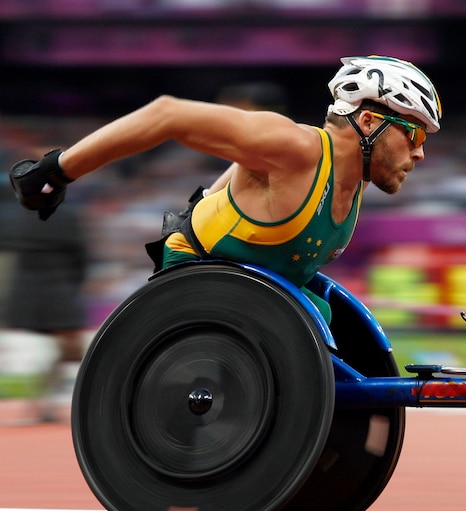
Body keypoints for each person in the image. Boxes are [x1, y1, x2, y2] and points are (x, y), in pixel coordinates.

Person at [8, 55, 442, 323]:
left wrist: (209, 200)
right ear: (368, 122)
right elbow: (167, 114)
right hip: (203, 286)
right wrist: (56, 171)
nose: (420, 156)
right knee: (308, 324)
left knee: (326, 317)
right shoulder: (292, 145)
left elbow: (246, 174)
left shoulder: (350, 180)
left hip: (263, 295)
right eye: (415, 136)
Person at [0, 184, 88, 423]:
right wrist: (76, 284)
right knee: (72, 350)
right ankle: (42, 403)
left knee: (66, 350)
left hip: (26, 290)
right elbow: (80, 255)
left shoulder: (16, 214)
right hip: (59, 289)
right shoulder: (68, 215)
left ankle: (38, 403)